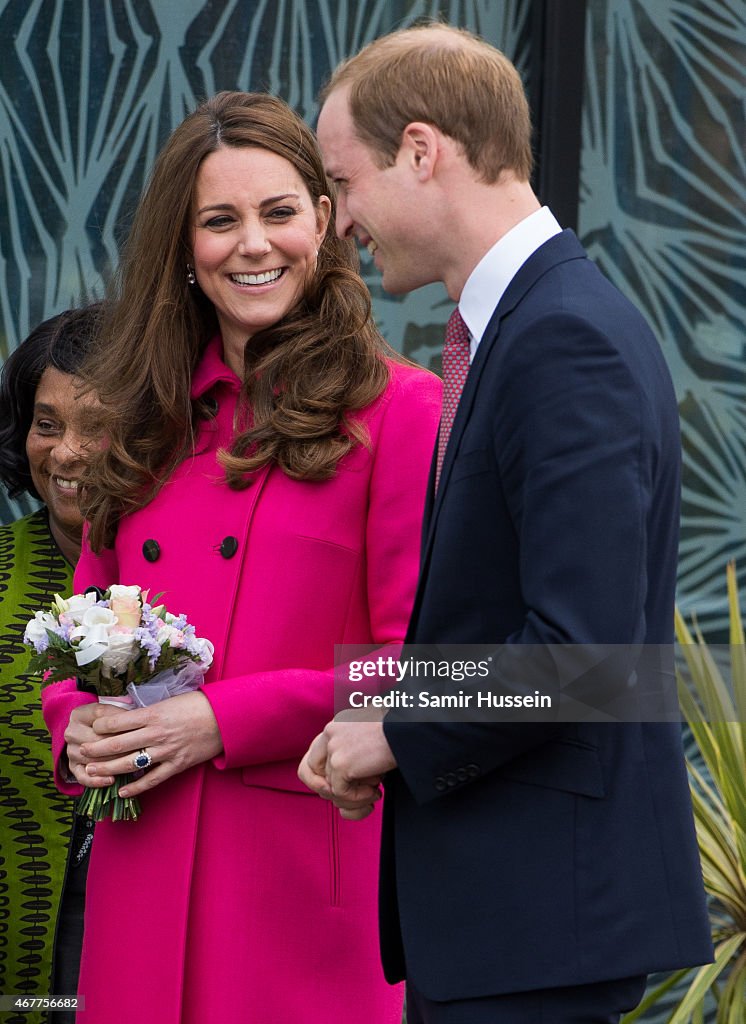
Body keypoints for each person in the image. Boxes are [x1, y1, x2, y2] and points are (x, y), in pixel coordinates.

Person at [299, 23, 714, 1024]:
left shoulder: (561, 338)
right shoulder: (525, 328)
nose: (337, 221)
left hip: (534, 927)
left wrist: (395, 730)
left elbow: (584, 656)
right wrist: (381, 709)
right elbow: (509, 626)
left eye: (341, 183)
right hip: (507, 922)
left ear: (420, 150)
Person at [40, 91, 440, 1024]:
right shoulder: (144, 415)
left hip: (303, 894)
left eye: (279, 213)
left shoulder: (401, 411)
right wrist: (75, 722)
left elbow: (421, 665)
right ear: (184, 248)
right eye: (220, 221)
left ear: (326, 221)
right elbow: (91, 610)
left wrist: (221, 719)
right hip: (139, 880)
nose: (254, 244)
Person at [0, 306, 102, 1024]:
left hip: (157, 941)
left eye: (98, 426)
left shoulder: (203, 569)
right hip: (20, 955)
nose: (66, 454)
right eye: (47, 424)